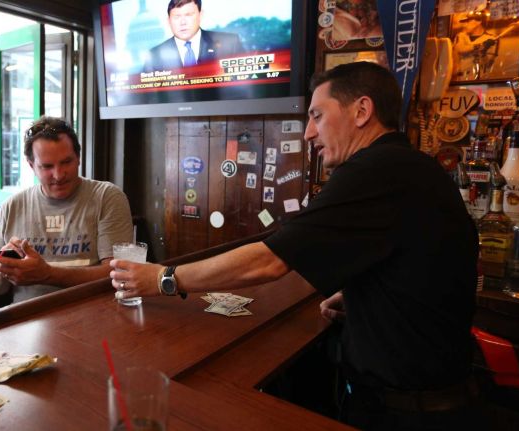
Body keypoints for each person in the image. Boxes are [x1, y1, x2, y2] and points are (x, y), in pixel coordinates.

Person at [110, 62, 482, 430]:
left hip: (409, 414)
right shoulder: (413, 166)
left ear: (362, 111)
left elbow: (268, 262)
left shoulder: (373, 169)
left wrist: (164, 278)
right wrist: (363, 300)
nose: (308, 133)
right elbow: (417, 265)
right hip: (436, 396)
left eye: (317, 115)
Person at [0, 116, 134, 303]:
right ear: (32, 166)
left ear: (78, 158)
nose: (58, 174)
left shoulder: (106, 197)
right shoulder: (12, 206)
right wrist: (3, 270)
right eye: (47, 166)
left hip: (93, 316)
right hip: (26, 319)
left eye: (66, 162)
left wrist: (48, 274)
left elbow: (119, 274)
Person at [142, 0, 244, 73]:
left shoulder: (230, 43)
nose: (183, 22)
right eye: (177, 17)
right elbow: (148, 97)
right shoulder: (154, 56)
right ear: (169, 21)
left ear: (200, 15)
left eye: (188, 15)